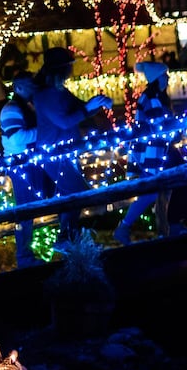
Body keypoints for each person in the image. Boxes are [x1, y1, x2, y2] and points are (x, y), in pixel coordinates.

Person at [31, 47, 114, 242]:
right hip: (53, 154)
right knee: (78, 192)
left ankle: (69, 241)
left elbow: (81, 110)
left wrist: (98, 103)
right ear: (60, 70)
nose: (71, 70)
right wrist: (89, 107)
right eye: (69, 67)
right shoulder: (46, 96)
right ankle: (65, 239)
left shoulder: (60, 92)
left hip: (65, 152)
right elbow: (65, 121)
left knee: (69, 197)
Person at [114, 62, 178, 245]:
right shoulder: (151, 98)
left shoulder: (153, 97)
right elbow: (160, 123)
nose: (168, 78)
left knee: (157, 191)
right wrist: (176, 130)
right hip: (150, 152)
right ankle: (124, 227)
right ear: (157, 78)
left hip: (153, 151)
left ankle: (163, 229)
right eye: (165, 75)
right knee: (151, 193)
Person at [0, 75, 46, 266]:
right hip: (21, 165)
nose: (33, 89)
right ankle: (24, 256)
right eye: (29, 86)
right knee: (26, 210)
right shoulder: (12, 109)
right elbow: (17, 138)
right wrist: (45, 130)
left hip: (26, 163)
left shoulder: (22, 106)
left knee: (29, 208)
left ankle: (25, 255)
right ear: (17, 88)